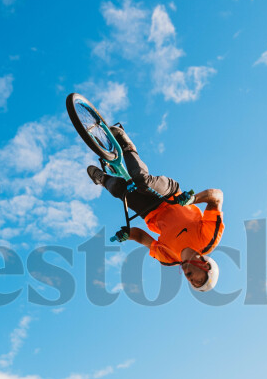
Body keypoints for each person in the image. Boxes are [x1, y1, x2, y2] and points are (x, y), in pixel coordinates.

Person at [87, 125, 224, 292]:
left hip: (150, 211)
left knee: (117, 189)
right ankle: (126, 143)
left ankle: (103, 179)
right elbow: (216, 196)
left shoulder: (168, 259)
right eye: (198, 280)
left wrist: (125, 235)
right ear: (206, 266)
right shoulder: (209, 238)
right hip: (171, 195)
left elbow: (139, 237)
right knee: (141, 180)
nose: (191, 280)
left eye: (192, 284)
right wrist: (192, 199)